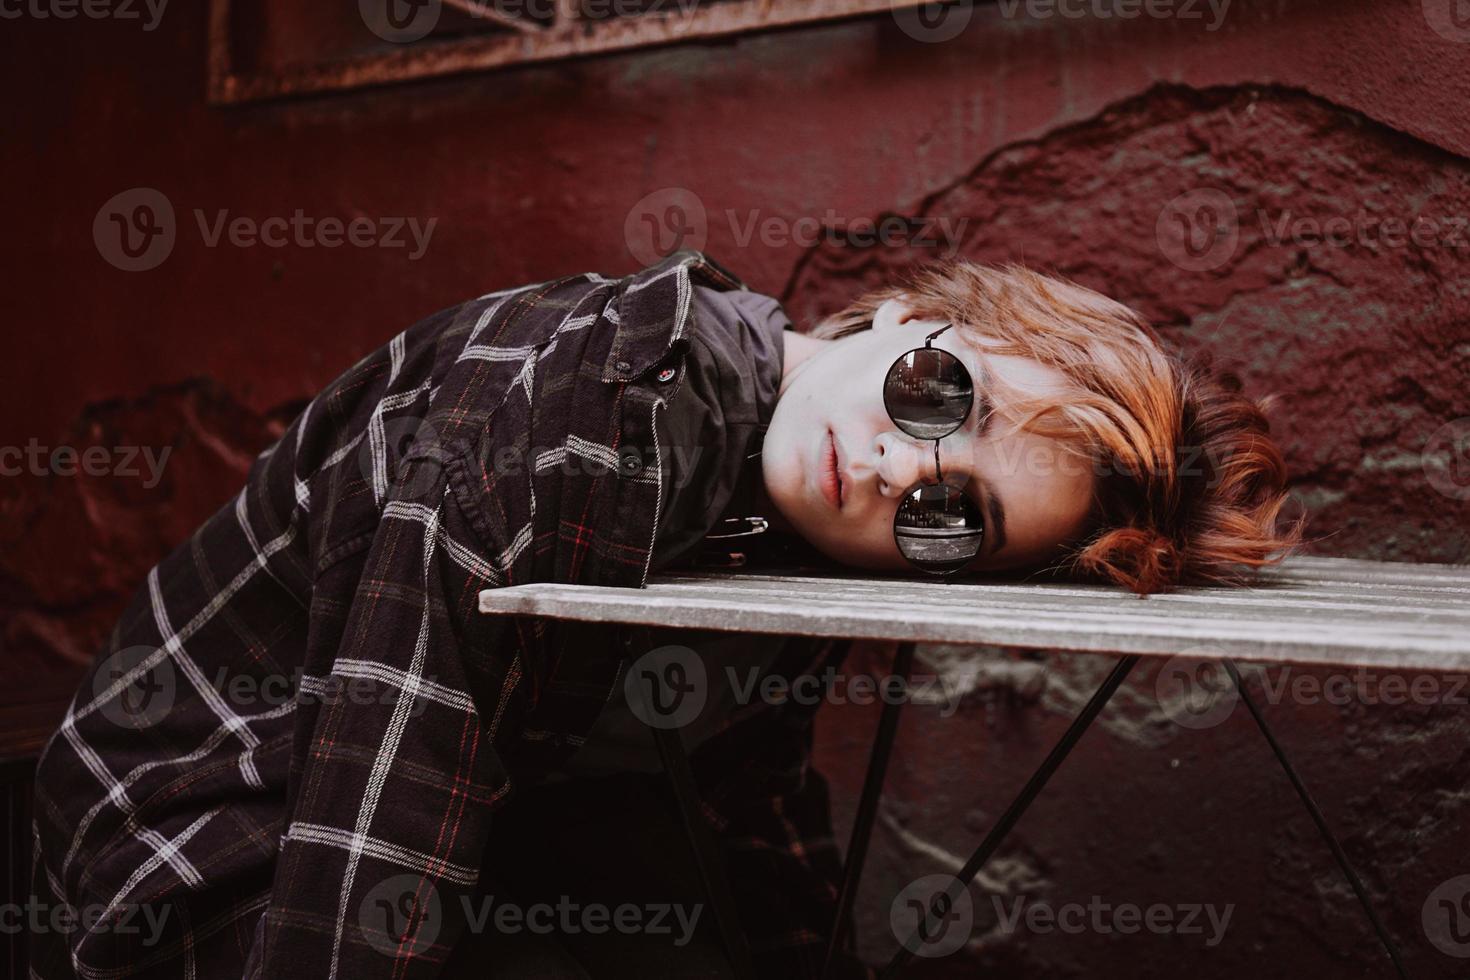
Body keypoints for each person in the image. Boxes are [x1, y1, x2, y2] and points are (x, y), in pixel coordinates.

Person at [27, 250, 1299, 980]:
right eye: (937, 395)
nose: (904, 469)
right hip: (197, 831)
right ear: (913, 316)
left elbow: (741, 804)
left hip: (485, 826)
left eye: (954, 515)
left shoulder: (808, 509)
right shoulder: (579, 419)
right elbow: (371, 855)